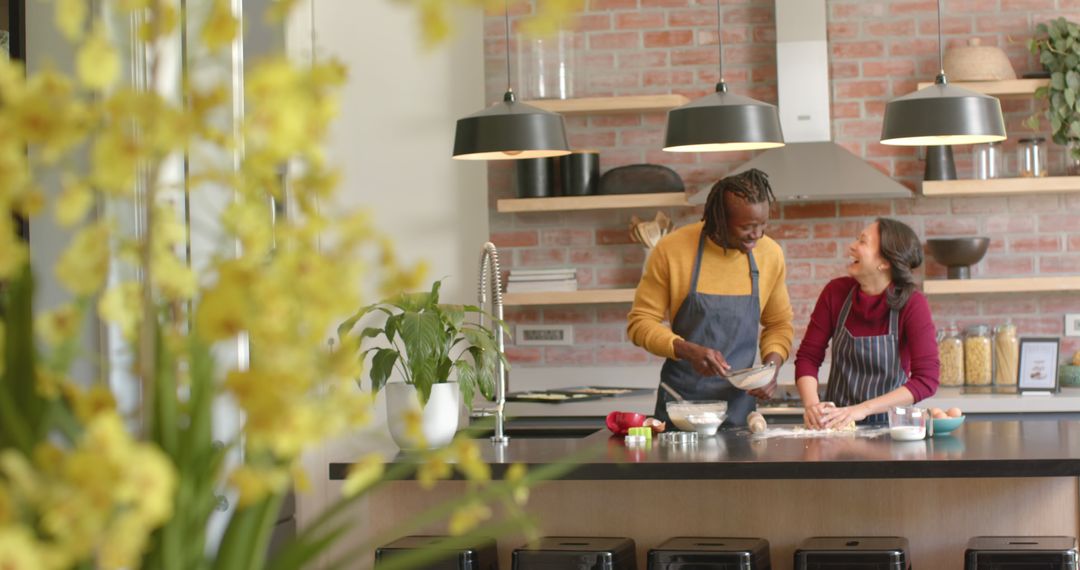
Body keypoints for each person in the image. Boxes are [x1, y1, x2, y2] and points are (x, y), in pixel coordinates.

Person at [627, 169, 794, 428]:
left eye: (763, 225)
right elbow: (640, 323)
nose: (758, 235)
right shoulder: (672, 250)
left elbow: (779, 324)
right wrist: (686, 349)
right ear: (719, 220)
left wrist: (770, 369)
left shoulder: (770, 254)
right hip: (680, 406)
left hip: (739, 408)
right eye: (747, 227)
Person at [794, 218, 940, 429]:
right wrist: (812, 406)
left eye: (862, 242)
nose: (852, 247)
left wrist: (861, 409)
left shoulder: (912, 304)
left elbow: (927, 380)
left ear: (885, 262)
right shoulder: (835, 293)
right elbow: (808, 357)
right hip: (837, 430)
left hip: (892, 430)